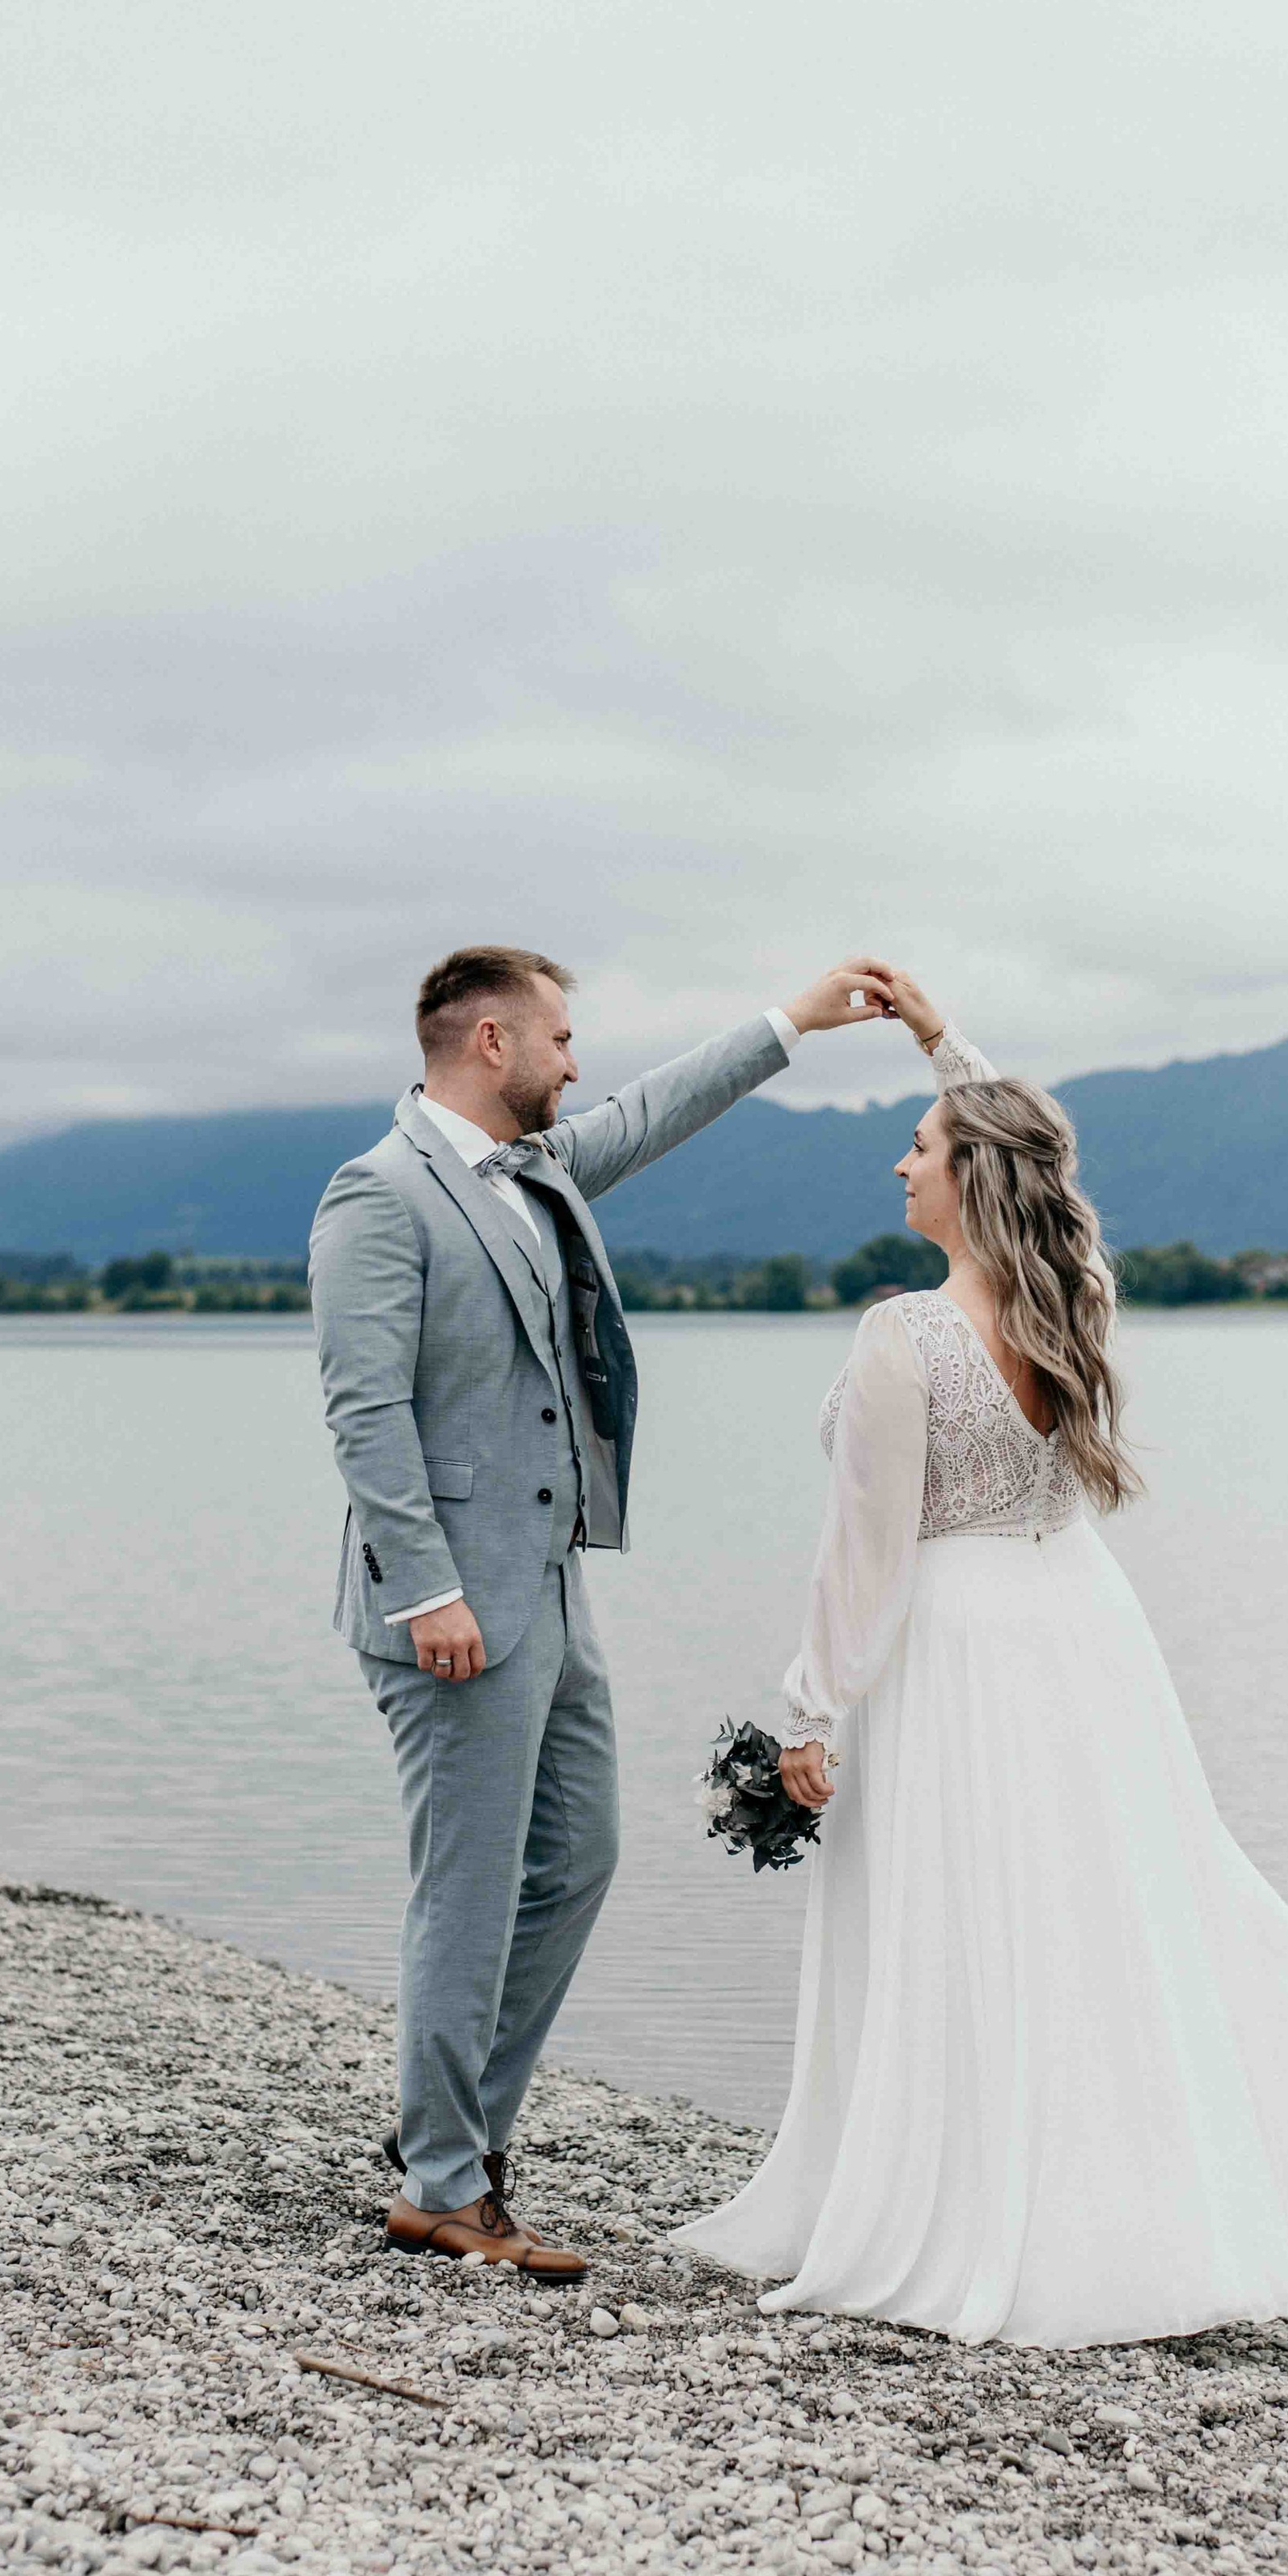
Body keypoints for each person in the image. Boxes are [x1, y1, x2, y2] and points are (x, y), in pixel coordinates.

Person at [676, 971, 1288, 2344]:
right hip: (1083, 1635)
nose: (899, 1160)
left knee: (959, 1916)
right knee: (1090, 1913)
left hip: (956, 1650)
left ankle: (965, 2203)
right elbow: (1041, 1151)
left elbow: (866, 1554)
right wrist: (938, 1042)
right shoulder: (1073, 1299)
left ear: (967, 1175)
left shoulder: (905, 1335)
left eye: (921, 1144)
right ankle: (1118, 2203)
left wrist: (812, 1714)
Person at [309, 944, 895, 2280]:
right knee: (465, 1894)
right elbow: (363, 1411)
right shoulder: (379, 1195)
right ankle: (448, 2184)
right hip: (453, 1606)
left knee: (576, 1861)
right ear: (493, 1045)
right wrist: (431, 1589)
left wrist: (793, 1021)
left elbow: (654, 1113)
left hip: (552, 1587)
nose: (582, 1066)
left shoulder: (537, 1171)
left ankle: (455, 2147)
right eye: (564, 1039)